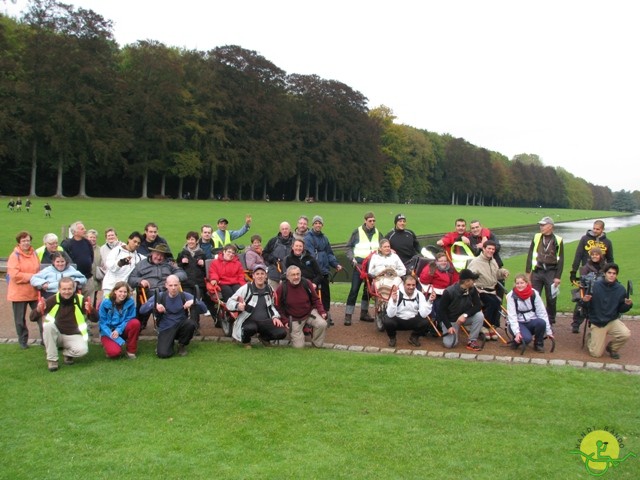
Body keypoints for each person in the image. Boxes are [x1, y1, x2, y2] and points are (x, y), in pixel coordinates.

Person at [139, 275, 207, 358]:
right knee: (163, 354)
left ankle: (182, 345)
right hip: (166, 327)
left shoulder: (185, 296)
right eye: (171, 285)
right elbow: (142, 310)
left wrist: (194, 302)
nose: (173, 288)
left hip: (181, 325)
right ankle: (165, 344)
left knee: (190, 323)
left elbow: (204, 309)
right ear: (166, 285)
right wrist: (154, 305)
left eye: (175, 285)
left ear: (179, 285)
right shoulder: (160, 296)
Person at [33, 277, 90, 372]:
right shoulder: (53, 299)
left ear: (74, 289)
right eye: (64, 289)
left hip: (74, 335)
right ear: (59, 289)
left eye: (69, 289)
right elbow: (32, 317)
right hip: (57, 335)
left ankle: (67, 354)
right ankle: (52, 360)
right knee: (47, 326)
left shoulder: (80, 300)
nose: (66, 292)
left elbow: (95, 319)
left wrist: (90, 311)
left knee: (83, 351)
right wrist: (38, 310)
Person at [128, 243, 187, 329]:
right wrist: (140, 280)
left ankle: (178, 322)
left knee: (179, 295)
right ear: (152, 253)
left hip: (167, 289)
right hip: (150, 290)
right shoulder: (141, 264)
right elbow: (131, 278)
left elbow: (183, 274)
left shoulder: (169, 263)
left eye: (162, 255)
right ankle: (156, 321)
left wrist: (173, 278)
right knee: (155, 297)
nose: (159, 257)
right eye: (157, 254)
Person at [227, 264, 287, 348]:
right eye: (257, 274)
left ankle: (264, 338)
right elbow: (229, 302)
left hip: (265, 321)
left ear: (266, 276)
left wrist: (275, 317)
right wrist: (238, 305)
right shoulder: (246, 288)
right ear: (253, 276)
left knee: (282, 332)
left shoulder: (269, 289)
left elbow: (272, 306)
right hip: (248, 321)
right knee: (250, 328)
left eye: (262, 274)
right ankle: (246, 342)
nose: (260, 276)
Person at [582, 263, 632, 359]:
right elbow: (585, 306)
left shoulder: (621, 289)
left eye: (614, 273)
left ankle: (612, 348)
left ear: (616, 275)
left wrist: (627, 305)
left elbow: (621, 309)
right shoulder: (594, 286)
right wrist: (584, 301)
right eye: (609, 273)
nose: (612, 275)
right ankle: (591, 338)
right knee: (596, 354)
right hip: (598, 321)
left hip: (612, 320)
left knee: (625, 334)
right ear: (605, 273)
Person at [275, 265, 328, 349]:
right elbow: (277, 307)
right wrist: (285, 320)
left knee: (322, 324)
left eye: (298, 274)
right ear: (288, 276)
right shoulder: (282, 288)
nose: (296, 277)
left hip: (309, 313)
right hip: (293, 318)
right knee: (299, 347)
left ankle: (317, 345)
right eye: (293, 275)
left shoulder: (306, 283)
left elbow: (316, 299)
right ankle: (299, 336)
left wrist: (322, 311)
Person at [304, 215, 343, 325]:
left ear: (322, 225)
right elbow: (310, 255)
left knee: (325, 295)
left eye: (319, 223)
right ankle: (311, 317)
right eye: (316, 223)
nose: (318, 225)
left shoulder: (325, 238)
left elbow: (329, 253)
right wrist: (317, 270)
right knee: (312, 296)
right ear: (313, 225)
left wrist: (335, 265)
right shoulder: (308, 238)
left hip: (324, 272)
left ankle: (326, 314)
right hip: (314, 273)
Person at [525, 216, 564, 324]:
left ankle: (550, 321)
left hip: (551, 271)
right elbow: (530, 254)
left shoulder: (558, 240)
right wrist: (528, 273)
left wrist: (558, 276)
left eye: (543, 225)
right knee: (533, 296)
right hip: (537, 271)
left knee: (551, 298)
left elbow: (560, 259)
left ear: (550, 226)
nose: (541, 227)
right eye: (540, 225)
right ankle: (533, 318)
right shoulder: (537, 237)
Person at [467, 240, 509, 340]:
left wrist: (503, 272)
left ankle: (491, 326)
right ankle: (484, 326)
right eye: (489, 249)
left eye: (493, 249)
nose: (491, 251)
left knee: (497, 302)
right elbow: (469, 277)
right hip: (479, 290)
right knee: (492, 302)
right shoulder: (476, 262)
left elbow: (496, 274)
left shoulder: (493, 260)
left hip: (491, 289)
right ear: (484, 249)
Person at [344, 211, 380, 325]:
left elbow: (383, 246)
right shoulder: (357, 232)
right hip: (359, 265)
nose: (372, 223)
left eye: (374, 221)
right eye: (370, 221)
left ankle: (364, 313)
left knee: (368, 291)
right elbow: (348, 247)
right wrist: (352, 259)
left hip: (372, 265)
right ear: (365, 221)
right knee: (354, 290)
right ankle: (348, 315)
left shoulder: (378, 233)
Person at [7, 231, 42, 349]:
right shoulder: (14, 256)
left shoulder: (34, 254)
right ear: (19, 242)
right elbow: (15, 275)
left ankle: (45, 338)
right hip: (19, 293)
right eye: (23, 241)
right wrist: (32, 277)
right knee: (20, 319)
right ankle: (23, 340)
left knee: (41, 315)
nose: (26, 243)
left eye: (28, 240)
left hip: (33, 291)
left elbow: (38, 269)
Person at [438, 269, 484, 351]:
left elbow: (478, 306)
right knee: (450, 345)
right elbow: (441, 311)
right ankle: (446, 329)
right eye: (472, 280)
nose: (474, 282)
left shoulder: (472, 289)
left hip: (464, 318)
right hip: (451, 320)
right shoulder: (449, 292)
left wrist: (465, 315)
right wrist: (448, 326)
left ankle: (472, 341)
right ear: (466, 282)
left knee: (479, 316)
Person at [506, 273, 554, 352]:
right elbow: (512, 316)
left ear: (526, 283)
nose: (519, 285)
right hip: (519, 322)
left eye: (522, 283)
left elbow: (542, 312)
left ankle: (538, 344)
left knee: (541, 323)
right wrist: (517, 332)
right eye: (517, 283)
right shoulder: (511, 296)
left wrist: (549, 331)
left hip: (531, 321)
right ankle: (516, 340)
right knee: (527, 339)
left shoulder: (534, 293)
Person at [384, 275, 435, 347]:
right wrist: (394, 301)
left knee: (426, 320)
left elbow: (423, 314)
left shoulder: (419, 295)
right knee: (387, 320)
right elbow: (390, 314)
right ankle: (392, 338)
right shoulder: (396, 294)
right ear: (403, 284)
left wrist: (429, 301)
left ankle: (414, 337)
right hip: (398, 320)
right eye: (408, 285)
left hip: (412, 320)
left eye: (413, 285)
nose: (411, 287)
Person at [176, 231, 210, 332]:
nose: (190, 241)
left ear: (196, 241)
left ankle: (195, 325)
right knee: (186, 304)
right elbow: (177, 268)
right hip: (186, 283)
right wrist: (181, 263)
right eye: (189, 239)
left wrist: (203, 264)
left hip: (198, 284)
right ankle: (186, 324)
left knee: (195, 303)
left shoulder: (202, 253)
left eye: (193, 239)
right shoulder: (182, 253)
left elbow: (206, 270)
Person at [98, 281, 141, 359]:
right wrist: (116, 338)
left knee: (135, 323)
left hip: (122, 329)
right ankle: (110, 347)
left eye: (125, 292)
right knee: (114, 354)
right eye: (120, 291)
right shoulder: (105, 303)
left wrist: (118, 330)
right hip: (108, 332)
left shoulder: (130, 302)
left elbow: (129, 318)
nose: (123, 294)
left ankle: (131, 351)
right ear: (115, 291)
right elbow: (102, 323)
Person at [571, 247, 605, 333]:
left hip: (600, 291)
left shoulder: (605, 266)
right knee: (580, 303)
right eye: (593, 255)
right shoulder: (585, 267)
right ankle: (576, 324)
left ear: (600, 256)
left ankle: (594, 322)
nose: (594, 256)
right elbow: (583, 280)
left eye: (596, 255)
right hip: (586, 289)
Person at [418, 251, 459, 323]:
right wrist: (431, 273)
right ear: (436, 261)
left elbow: (455, 281)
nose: (443, 262)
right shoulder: (431, 267)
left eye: (445, 261)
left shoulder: (450, 268)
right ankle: (438, 322)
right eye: (441, 261)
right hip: (434, 292)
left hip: (447, 291)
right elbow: (423, 280)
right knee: (440, 304)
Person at [569, 220, 614, 284]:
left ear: (603, 229)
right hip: (586, 272)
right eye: (594, 228)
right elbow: (578, 256)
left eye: (597, 229)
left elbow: (610, 259)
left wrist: (612, 273)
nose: (595, 230)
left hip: (602, 273)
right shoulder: (584, 239)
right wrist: (573, 271)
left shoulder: (607, 242)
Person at [61, 221, 94, 290]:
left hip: (88, 277)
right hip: (73, 279)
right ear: (75, 232)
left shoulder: (87, 242)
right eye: (82, 229)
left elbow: (91, 257)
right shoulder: (67, 244)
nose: (85, 230)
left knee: (88, 299)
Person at [263, 221, 294, 289]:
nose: (285, 230)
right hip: (274, 275)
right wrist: (273, 260)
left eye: (286, 229)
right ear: (280, 230)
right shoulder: (273, 241)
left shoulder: (295, 242)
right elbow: (264, 253)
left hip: (291, 275)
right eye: (283, 229)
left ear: (290, 230)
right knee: (273, 296)